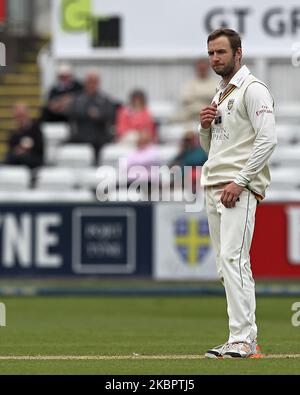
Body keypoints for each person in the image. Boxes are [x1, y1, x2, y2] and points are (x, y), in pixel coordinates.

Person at [199, 28, 277, 358]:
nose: (215, 58)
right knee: (224, 267)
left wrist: (240, 181)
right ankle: (238, 337)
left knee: (235, 260)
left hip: (236, 189)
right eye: (211, 54)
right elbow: (211, 149)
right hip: (214, 184)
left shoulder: (254, 89)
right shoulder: (220, 95)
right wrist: (204, 127)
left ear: (238, 53)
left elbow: (268, 140)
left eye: (221, 52)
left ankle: (245, 339)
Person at [67, 69, 115, 161]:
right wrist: (87, 112)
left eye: (94, 82)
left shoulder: (105, 99)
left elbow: (110, 114)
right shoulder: (77, 99)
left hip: (99, 138)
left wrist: (98, 115)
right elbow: (72, 112)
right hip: (80, 137)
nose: (92, 85)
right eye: (90, 82)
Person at [174, 58, 217, 123]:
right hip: (190, 117)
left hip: (210, 118)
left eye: (204, 68)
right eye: (200, 68)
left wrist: (197, 96)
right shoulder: (189, 84)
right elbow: (185, 99)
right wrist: (206, 98)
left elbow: (216, 99)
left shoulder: (216, 83)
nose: (202, 69)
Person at [6, 103, 44, 169]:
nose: (20, 118)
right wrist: (17, 151)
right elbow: (11, 151)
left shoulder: (36, 129)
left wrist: (26, 151)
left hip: (33, 160)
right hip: (18, 160)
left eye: (21, 115)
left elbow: (39, 149)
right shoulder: (14, 133)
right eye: (17, 116)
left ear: (27, 114)